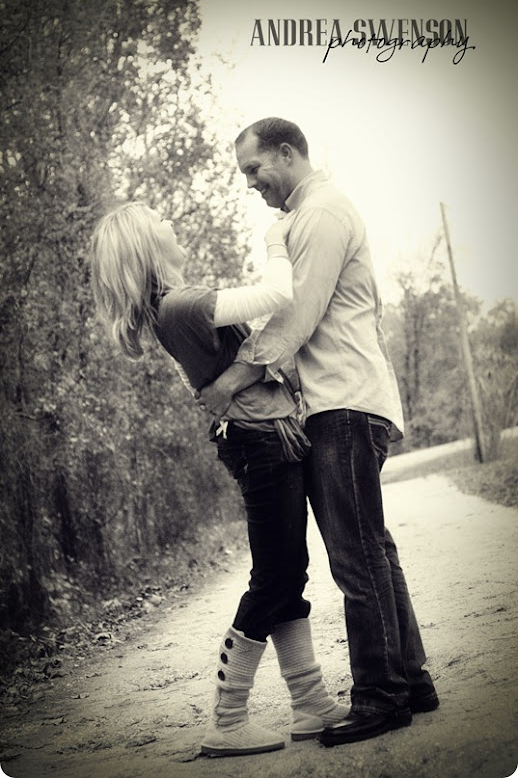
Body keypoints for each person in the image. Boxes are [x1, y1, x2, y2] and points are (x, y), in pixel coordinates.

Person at [197, 117, 440, 747]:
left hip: (343, 403)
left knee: (356, 554)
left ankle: (381, 697)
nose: (250, 183)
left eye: (254, 169)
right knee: (373, 547)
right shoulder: (306, 217)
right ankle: (412, 681)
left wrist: (230, 382)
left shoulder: (322, 214)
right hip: (344, 400)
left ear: (286, 153)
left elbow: (295, 316)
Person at [89, 201, 348, 758]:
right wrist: (278, 238)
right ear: (147, 245)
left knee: (288, 573)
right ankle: (228, 720)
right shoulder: (183, 304)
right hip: (260, 441)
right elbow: (278, 293)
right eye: (160, 220)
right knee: (275, 577)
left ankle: (310, 703)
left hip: (263, 436)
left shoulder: (174, 307)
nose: (170, 223)